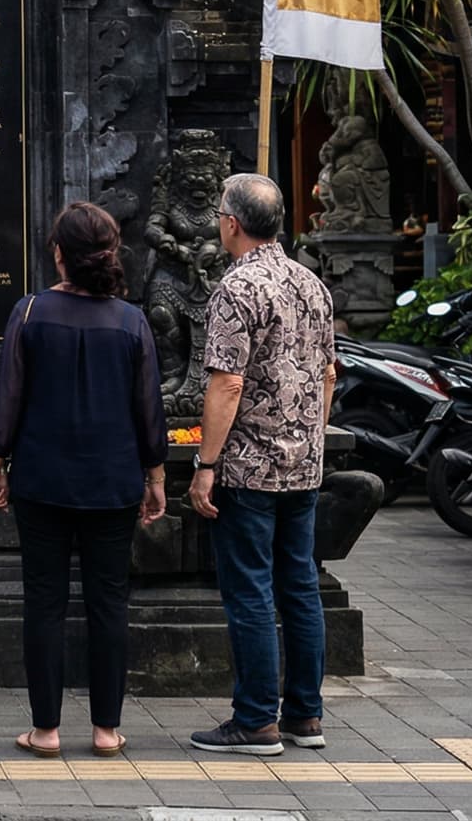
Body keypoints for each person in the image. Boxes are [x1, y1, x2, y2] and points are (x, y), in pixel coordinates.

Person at [0, 201, 167, 758]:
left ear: (58, 253)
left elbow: (8, 396)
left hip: (41, 478)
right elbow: (149, 409)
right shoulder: (132, 320)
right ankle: (107, 729)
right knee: (109, 602)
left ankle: (45, 730)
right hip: (112, 481)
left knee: (44, 602)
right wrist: (155, 476)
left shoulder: (31, 312)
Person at [187, 173, 337, 757]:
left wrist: (206, 462)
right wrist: (309, 437)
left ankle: (255, 720)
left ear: (230, 222)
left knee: (250, 590)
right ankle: (305, 714)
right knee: (299, 585)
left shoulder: (237, 288)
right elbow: (327, 375)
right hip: (303, 464)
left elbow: (226, 382)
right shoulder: (311, 284)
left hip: (248, 467)